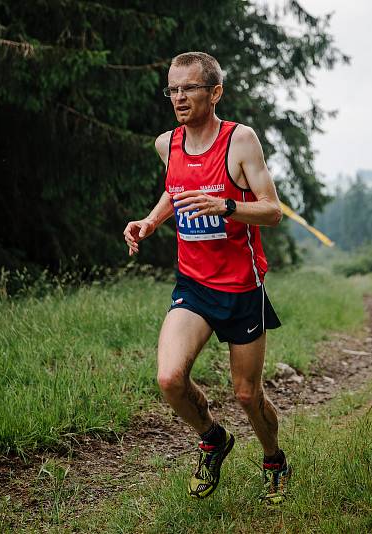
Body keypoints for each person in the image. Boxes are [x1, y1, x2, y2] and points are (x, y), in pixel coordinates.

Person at [123, 51, 291, 505]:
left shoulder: (241, 141)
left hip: (241, 289)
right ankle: (213, 439)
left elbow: (273, 211)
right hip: (194, 285)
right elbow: (175, 189)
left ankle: (274, 459)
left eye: (189, 88)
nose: (179, 98)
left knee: (246, 394)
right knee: (169, 379)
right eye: (173, 89)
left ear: (214, 92)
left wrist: (229, 206)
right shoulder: (167, 144)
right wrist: (151, 221)